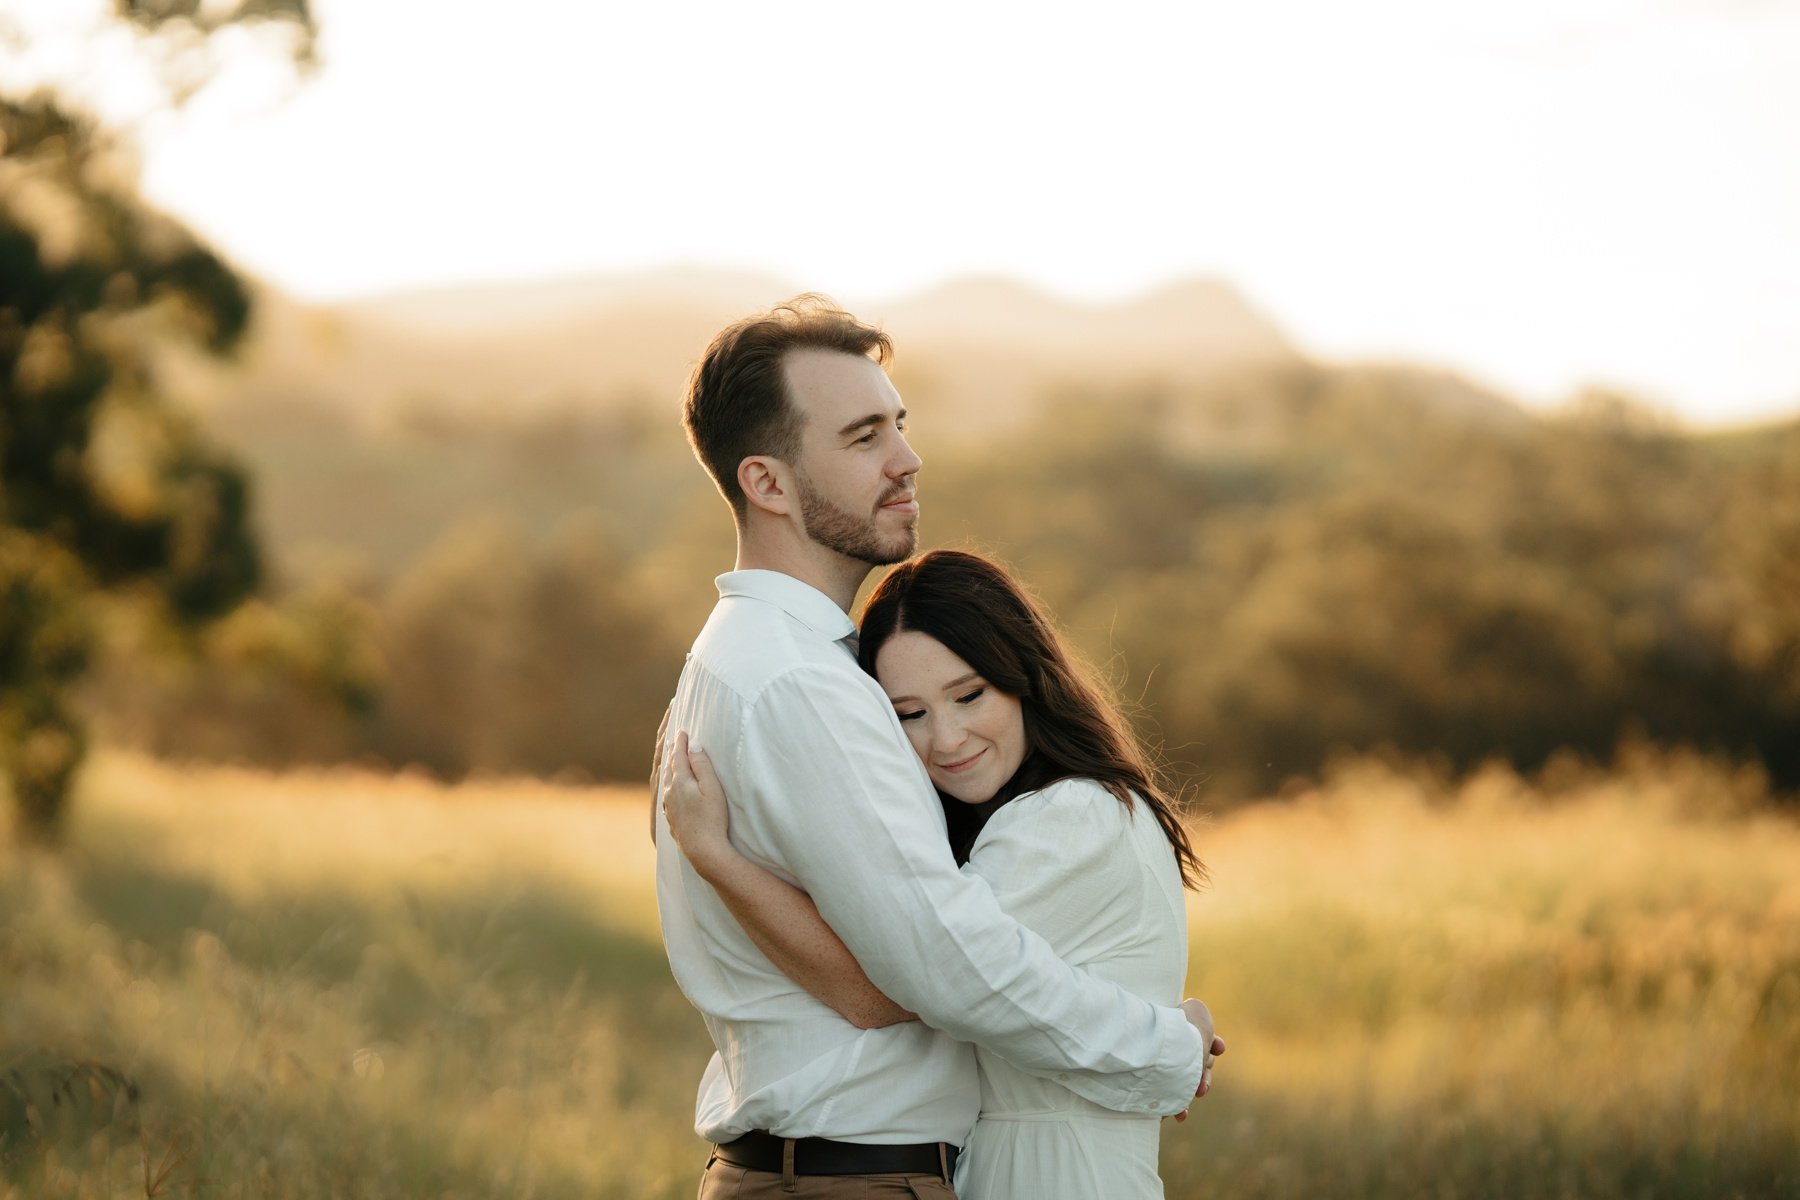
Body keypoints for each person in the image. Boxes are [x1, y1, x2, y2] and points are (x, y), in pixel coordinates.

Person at [652, 295, 1221, 1200]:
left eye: (901, 427)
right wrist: (1166, 1047)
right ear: (767, 483)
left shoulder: (740, 658)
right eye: (864, 436)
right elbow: (934, 965)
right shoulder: (802, 681)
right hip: (848, 1180)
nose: (907, 461)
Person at [663, 548, 1211, 1199]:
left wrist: (720, 859)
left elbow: (912, 978)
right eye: (910, 715)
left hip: (1057, 1173)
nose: (946, 739)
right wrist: (1170, 1042)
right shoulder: (1033, 816)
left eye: (969, 695)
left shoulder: (1068, 815)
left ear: (1024, 675)